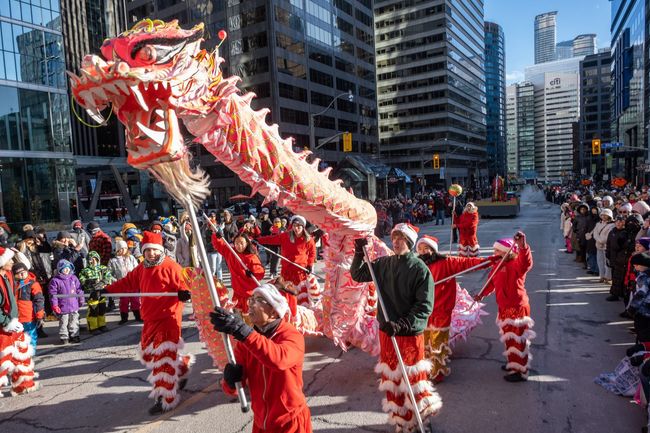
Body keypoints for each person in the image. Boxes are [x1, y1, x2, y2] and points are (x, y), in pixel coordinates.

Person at [350, 223, 441, 432]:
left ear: (409, 241)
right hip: (388, 334)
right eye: (394, 236)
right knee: (392, 379)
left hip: (407, 334)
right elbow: (357, 274)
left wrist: (401, 324)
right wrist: (358, 253)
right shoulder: (383, 264)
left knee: (412, 380)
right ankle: (401, 421)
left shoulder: (420, 269)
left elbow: (424, 307)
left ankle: (420, 422)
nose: (396, 241)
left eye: (401, 237)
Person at [104, 231, 194, 415]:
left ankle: (166, 398)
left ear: (160, 250)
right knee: (149, 354)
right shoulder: (142, 268)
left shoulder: (170, 266)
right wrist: (106, 291)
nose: (151, 253)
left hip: (168, 319)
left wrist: (184, 292)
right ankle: (181, 369)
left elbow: (184, 284)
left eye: (154, 250)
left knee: (163, 360)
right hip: (150, 319)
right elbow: (126, 283)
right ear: (143, 252)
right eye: (148, 251)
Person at [210, 283, 312, 433]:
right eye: (251, 299)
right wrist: (230, 381)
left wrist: (242, 331)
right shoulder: (246, 342)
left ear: (274, 312)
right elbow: (235, 389)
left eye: (257, 300)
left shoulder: (291, 335)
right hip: (261, 423)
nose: (250, 304)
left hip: (290, 422)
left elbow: (278, 360)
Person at [415, 235, 494, 383]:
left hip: (441, 310)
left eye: (426, 248)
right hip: (423, 311)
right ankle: (425, 369)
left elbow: (469, 263)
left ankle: (437, 372)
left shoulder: (446, 262)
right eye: (420, 248)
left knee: (438, 343)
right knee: (424, 342)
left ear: (433, 249)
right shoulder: (416, 264)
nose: (423, 251)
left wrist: (490, 261)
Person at [475, 233, 534, 382]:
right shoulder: (497, 265)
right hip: (504, 306)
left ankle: (520, 370)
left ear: (508, 252)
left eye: (497, 251)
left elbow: (525, 263)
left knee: (517, 338)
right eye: (494, 251)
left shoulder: (515, 265)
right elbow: (490, 283)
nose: (494, 254)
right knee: (508, 336)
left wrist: (522, 246)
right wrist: (481, 294)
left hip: (517, 306)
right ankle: (513, 363)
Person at [256, 215, 316, 315]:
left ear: (303, 227)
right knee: (287, 293)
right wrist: (259, 240)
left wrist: (309, 264)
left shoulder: (308, 239)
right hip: (287, 271)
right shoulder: (285, 236)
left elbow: (312, 252)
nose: (296, 229)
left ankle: (302, 312)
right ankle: (290, 313)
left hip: (300, 271)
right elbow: (271, 239)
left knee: (300, 294)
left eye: (299, 226)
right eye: (294, 226)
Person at [0, 246, 39, 395]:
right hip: (4, 326)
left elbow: (25, 265)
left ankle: (23, 385)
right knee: (3, 359)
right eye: (9, 259)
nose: (12, 262)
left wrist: (17, 252)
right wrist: (6, 322)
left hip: (13, 322)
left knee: (22, 355)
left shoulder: (7, 275)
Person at [212, 231, 265, 317]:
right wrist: (216, 236)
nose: (239, 246)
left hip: (249, 293)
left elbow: (260, 273)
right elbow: (219, 245)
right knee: (238, 316)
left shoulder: (251, 257)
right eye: (236, 243)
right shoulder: (231, 253)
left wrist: (252, 274)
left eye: (241, 243)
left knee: (250, 318)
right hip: (237, 292)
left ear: (247, 243)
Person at [48, 260, 84, 344]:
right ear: (60, 269)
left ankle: (74, 335)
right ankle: (64, 336)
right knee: (64, 322)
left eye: (68, 268)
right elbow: (53, 294)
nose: (66, 270)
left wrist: (81, 298)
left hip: (74, 305)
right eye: (64, 268)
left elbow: (79, 289)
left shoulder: (73, 278)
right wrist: (55, 305)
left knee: (74, 321)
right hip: (63, 306)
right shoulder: (55, 280)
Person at [11, 263, 44, 353]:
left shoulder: (33, 284)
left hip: (29, 317)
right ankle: (21, 356)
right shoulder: (12, 284)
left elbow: (39, 300)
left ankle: (31, 355)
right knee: (18, 339)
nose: (22, 274)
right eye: (19, 273)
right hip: (16, 317)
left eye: (23, 272)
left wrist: (39, 315)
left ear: (27, 271)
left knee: (31, 337)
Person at [79, 251, 114, 334]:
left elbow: (108, 277)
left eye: (95, 259)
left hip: (102, 292)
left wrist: (103, 282)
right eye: (91, 259)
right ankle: (93, 327)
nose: (93, 261)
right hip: (92, 293)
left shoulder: (103, 268)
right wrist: (91, 283)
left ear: (98, 259)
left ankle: (102, 325)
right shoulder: (85, 270)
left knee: (102, 309)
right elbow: (82, 280)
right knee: (93, 310)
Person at [108, 240, 141, 324]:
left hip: (133, 283)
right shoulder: (113, 260)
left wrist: (137, 278)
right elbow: (109, 273)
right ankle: (124, 317)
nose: (123, 250)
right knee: (124, 301)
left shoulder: (131, 258)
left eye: (125, 248)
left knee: (135, 300)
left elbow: (137, 269)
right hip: (122, 283)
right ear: (118, 249)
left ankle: (138, 315)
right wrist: (115, 280)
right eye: (121, 249)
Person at [606, 215, 634, 302]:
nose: (618, 223)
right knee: (614, 276)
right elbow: (609, 244)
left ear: (624, 223)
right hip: (613, 257)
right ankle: (615, 293)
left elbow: (624, 246)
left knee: (620, 277)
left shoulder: (625, 233)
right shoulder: (612, 232)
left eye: (621, 222)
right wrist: (607, 254)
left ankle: (618, 294)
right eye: (617, 221)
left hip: (621, 259)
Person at [593, 208, 614, 283]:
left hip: (606, 246)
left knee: (607, 262)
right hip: (598, 245)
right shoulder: (598, 224)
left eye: (606, 215)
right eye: (603, 215)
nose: (604, 216)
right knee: (600, 261)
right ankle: (601, 276)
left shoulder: (612, 225)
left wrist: (601, 241)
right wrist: (599, 241)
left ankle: (608, 277)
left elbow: (608, 236)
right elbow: (595, 234)